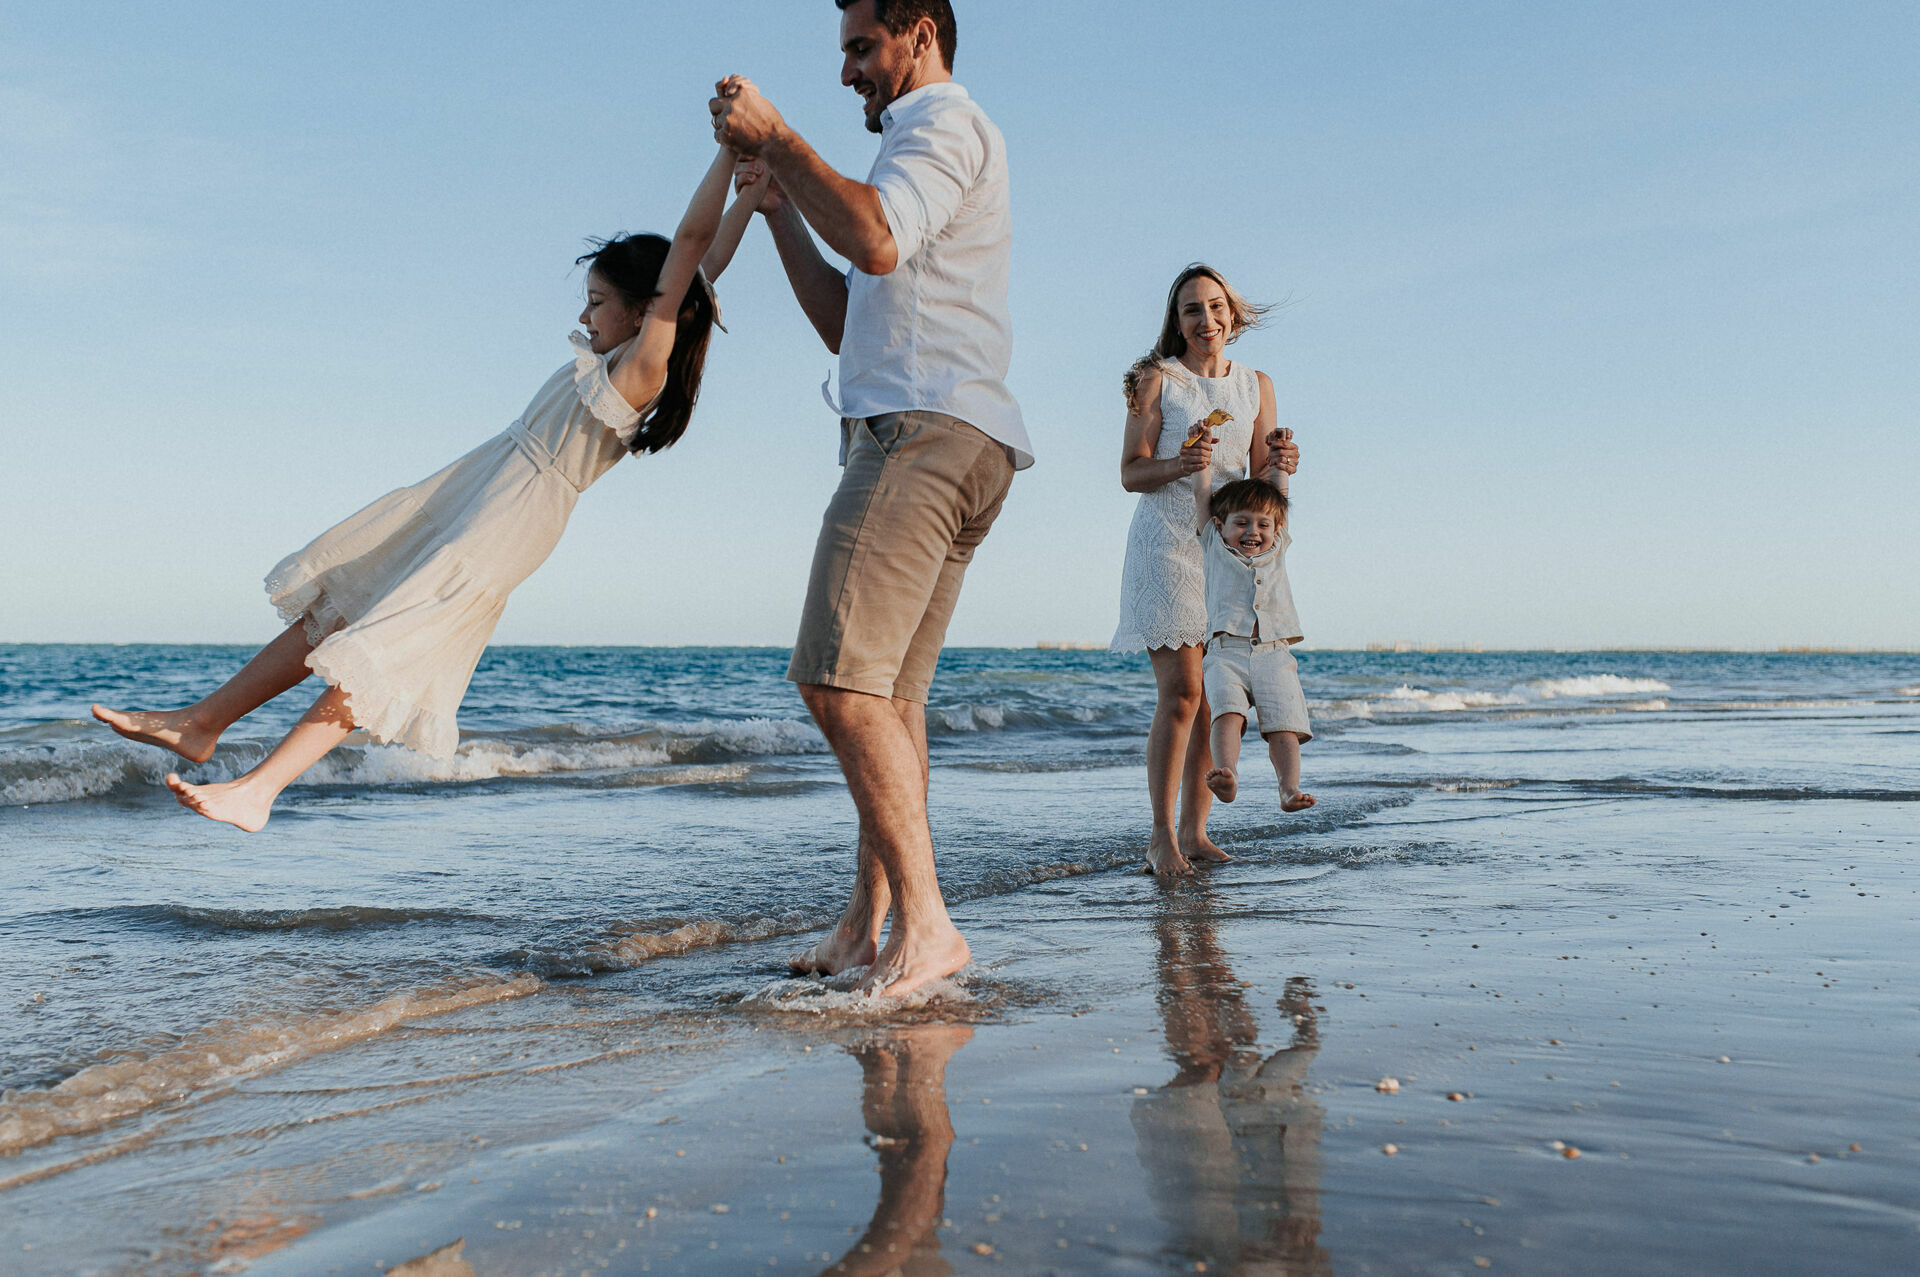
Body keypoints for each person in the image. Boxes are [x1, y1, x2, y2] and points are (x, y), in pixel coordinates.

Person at [90, 147, 746, 832]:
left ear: (645, 311)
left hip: (504, 525)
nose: (586, 317)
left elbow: (689, 254)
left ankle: (259, 789)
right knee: (343, 610)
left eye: (598, 303)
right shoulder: (620, 350)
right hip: (472, 491)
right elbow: (702, 267)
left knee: (384, 653)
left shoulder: (641, 368)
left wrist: (728, 154)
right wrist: (753, 197)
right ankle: (202, 721)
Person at [708, 0, 1031, 998]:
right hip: (956, 437)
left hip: (920, 435)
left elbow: (881, 241)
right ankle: (870, 919)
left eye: (861, 47)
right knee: (888, 700)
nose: (848, 70)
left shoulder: (938, 124)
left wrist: (780, 141)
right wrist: (776, 210)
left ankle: (927, 925)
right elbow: (853, 313)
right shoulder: (914, 145)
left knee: (837, 683)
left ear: (918, 34)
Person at [1113, 264, 1299, 876]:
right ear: (1177, 321)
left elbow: (1259, 492)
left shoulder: (1257, 385)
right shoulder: (1154, 381)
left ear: (1233, 315)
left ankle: (1196, 832)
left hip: (1225, 555)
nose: (1206, 319)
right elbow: (1130, 473)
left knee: (1217, 690)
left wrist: (1283, 466)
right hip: (1167, 542)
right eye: (1192, 309)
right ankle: (1161, 836)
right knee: (1182, 693)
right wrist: (1182, 461)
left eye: (1216, 307)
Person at [1191, 468, 1315, 813]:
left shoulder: (1277, 548)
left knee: (1284, 727)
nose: (1253, 532)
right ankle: (1227, 772)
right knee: (1227, 714)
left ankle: (1289, 789)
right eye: (1241, 523)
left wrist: (1278, 462)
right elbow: (1202, 496)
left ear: (1276, 529)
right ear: (1220, 526)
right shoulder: (1213, 545)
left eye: (1263, 524)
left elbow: (1280, 500)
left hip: (1275, 653)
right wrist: (1200, 462)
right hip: (1225, 652)